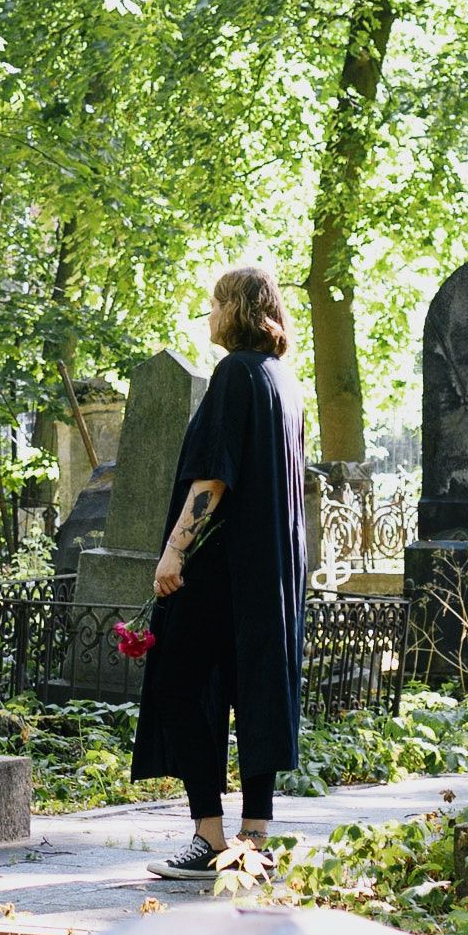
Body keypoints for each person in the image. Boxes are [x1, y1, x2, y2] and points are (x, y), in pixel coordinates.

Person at [135, 262, 309, 878]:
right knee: (256, 688)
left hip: (223, 570)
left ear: (235, 309)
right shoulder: (284, 381)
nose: (209, 315)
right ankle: (253, 842)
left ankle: (210, 838)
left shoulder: (233, 374)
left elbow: (213, 478)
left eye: (214, 304)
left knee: (183, 685)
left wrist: (174, 551)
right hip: (272, 570)